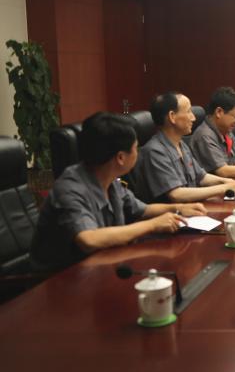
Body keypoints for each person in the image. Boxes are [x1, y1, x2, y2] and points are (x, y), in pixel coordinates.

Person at [29, 112, 207, 272]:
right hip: (61, 279)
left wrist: (179, 208)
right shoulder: (70, 188)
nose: (138, 153)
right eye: (136, 148)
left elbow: (142, 209)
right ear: (121, 158)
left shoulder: (109, 179)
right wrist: (153, 225)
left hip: (103, 266)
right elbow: (88, 239)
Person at [135, 92, 235, 203]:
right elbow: (176, 194)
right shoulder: (155, 151)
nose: (193, 118)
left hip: (193, 208)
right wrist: (223, 188)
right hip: (173, 215)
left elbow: (201, 177)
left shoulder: (181, 144)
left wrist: (228, 182)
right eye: (188, 111)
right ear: (172, 116)